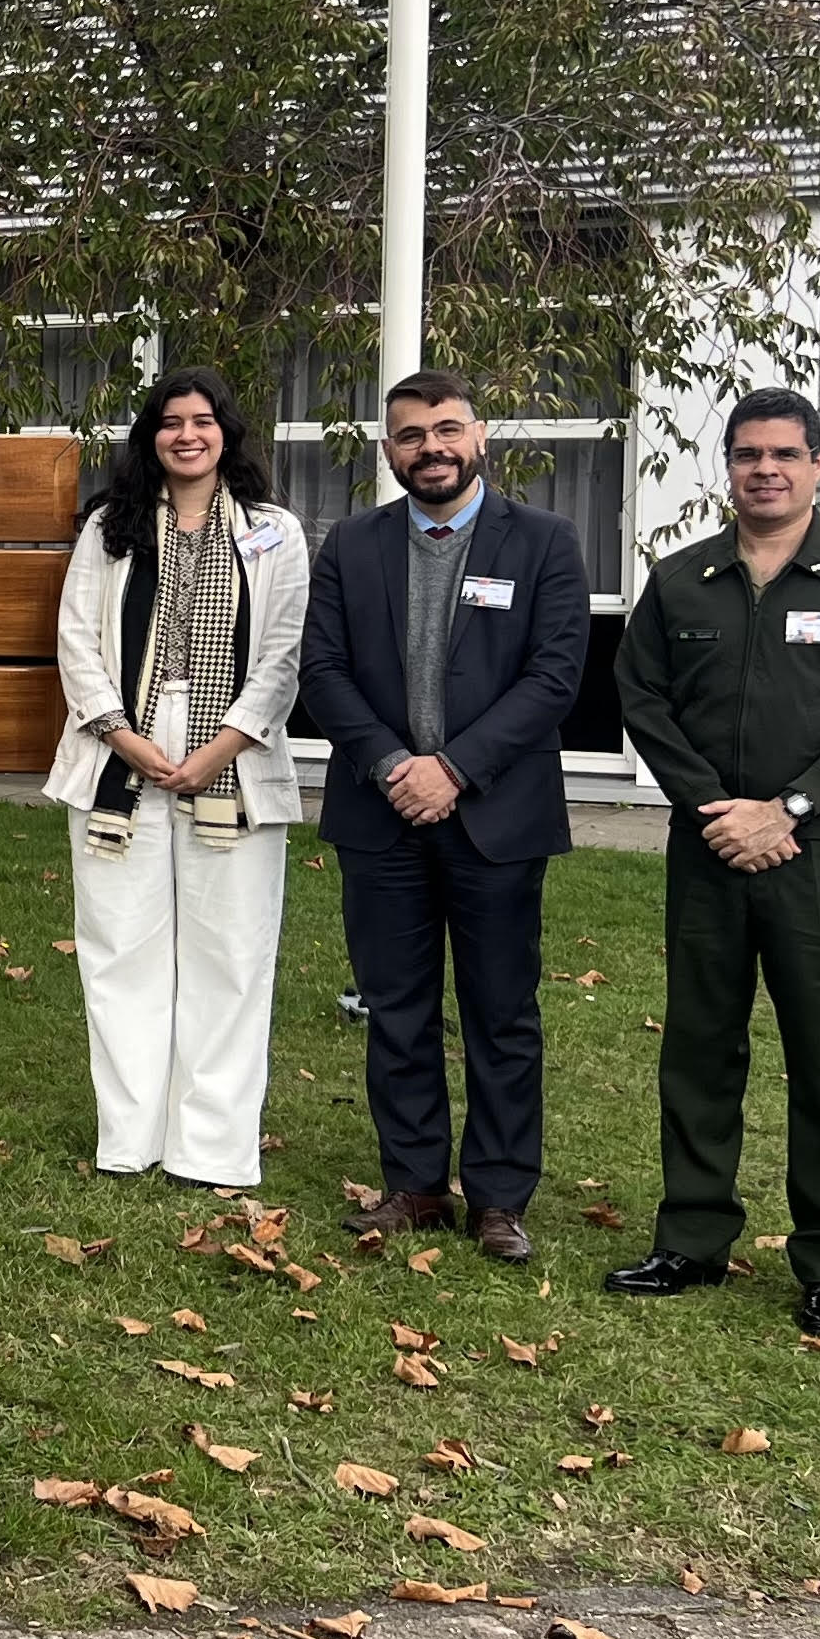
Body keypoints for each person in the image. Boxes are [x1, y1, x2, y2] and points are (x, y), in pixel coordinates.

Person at [610, 387, 820, 1340]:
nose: (766, 471)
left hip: (819, 852)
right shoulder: (683, 580)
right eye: (748, 454)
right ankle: (691, 1240)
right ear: (730, 468)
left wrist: (790, 807)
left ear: (817, 464)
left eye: (785, 454)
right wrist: (716, 809)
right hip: (709, 846)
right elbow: (642, 696)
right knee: (699, 1049)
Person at [299, 370, 591, 1261]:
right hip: (380, 814)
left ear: (480, 435)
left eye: (447, 429)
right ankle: (415, 1185)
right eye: (412, 434)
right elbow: (322, 672)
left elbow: (555, 677)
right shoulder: (351, 544)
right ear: (388, 449)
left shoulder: (544, 541)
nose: (432, 448)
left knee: (502, 1013)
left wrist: (454, 770)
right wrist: (396, 766)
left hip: (496, 819)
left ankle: (499, 1198)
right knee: (397, 1009)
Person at [43, 368, 310, 1190]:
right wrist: (123, 737)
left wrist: (218, 750)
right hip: (119, 750)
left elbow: (283, 654)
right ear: (150, 436)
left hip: (234, 755)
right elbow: (76, 641)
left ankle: (212, 1148)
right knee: (120, 949)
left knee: (230, 955)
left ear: (227, 432)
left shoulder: (273, 532)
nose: (186, 435)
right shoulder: (110, 527)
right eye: (170, 421)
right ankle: (129, 1138)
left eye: (202, 420)